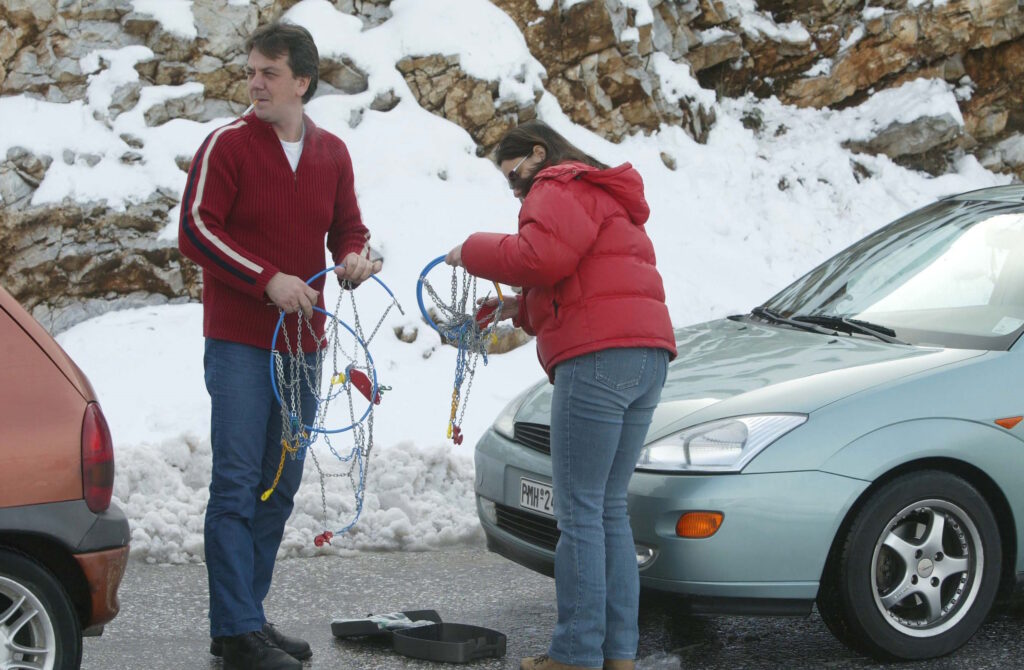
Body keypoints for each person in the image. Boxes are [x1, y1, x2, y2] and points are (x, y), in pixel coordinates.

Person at [178, 21, 380, 670]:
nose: (255, 82)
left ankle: (248, 621)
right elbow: (195, 232)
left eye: (269, 72)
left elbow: (348, 228)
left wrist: (353, 257)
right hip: (239, 343)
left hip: (304, 346)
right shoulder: (227, 145)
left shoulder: (331, 154)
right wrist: (266, 280)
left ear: (302, 82)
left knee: (279, 484)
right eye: (251, 70)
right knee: (237, 483)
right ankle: (236, 630)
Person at [446, 120, 677, 670]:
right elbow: (574, 279)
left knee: (578, 514)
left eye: (515, 176)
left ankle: (575, 654)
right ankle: (618, 653)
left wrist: (469, 250)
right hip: (645, 356)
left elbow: (539, 259)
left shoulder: (557, 184)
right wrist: (513, 309)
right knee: (607, 511)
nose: (518, 190)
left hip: (596, 359)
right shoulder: (599, 195)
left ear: (540, 153)